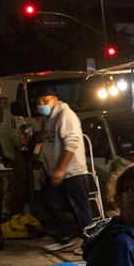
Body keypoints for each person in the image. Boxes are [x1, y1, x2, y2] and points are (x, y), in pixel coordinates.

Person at [35, 86, 92, 252]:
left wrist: (61, 168)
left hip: (73, 171)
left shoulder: (66, 115)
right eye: (39, 102)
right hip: (55, 171)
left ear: (54, 99)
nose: (41, 104)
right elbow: (48, 146)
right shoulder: (46, 119)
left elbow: (71, 143)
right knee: (50, 201)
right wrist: (44, 167)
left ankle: (89, 243)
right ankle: (64, 238)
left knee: (80, 208)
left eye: (44, 101)